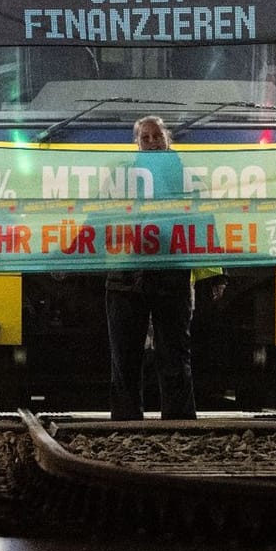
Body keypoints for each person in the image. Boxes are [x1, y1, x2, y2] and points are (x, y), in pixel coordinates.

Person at [105, 116, 196, 420]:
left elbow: (202, 224)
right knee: (125, 360)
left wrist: (216, 274)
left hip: (172, 278)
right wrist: (66, 255)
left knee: (174, 356)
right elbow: (99, 217)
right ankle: (125, 422)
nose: (153, 141)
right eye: (146, 137)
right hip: (126, 279)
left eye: (157, 136)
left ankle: (179, 423)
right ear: (137, 143)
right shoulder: (120, 177)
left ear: (167, 139)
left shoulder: (185, 176)